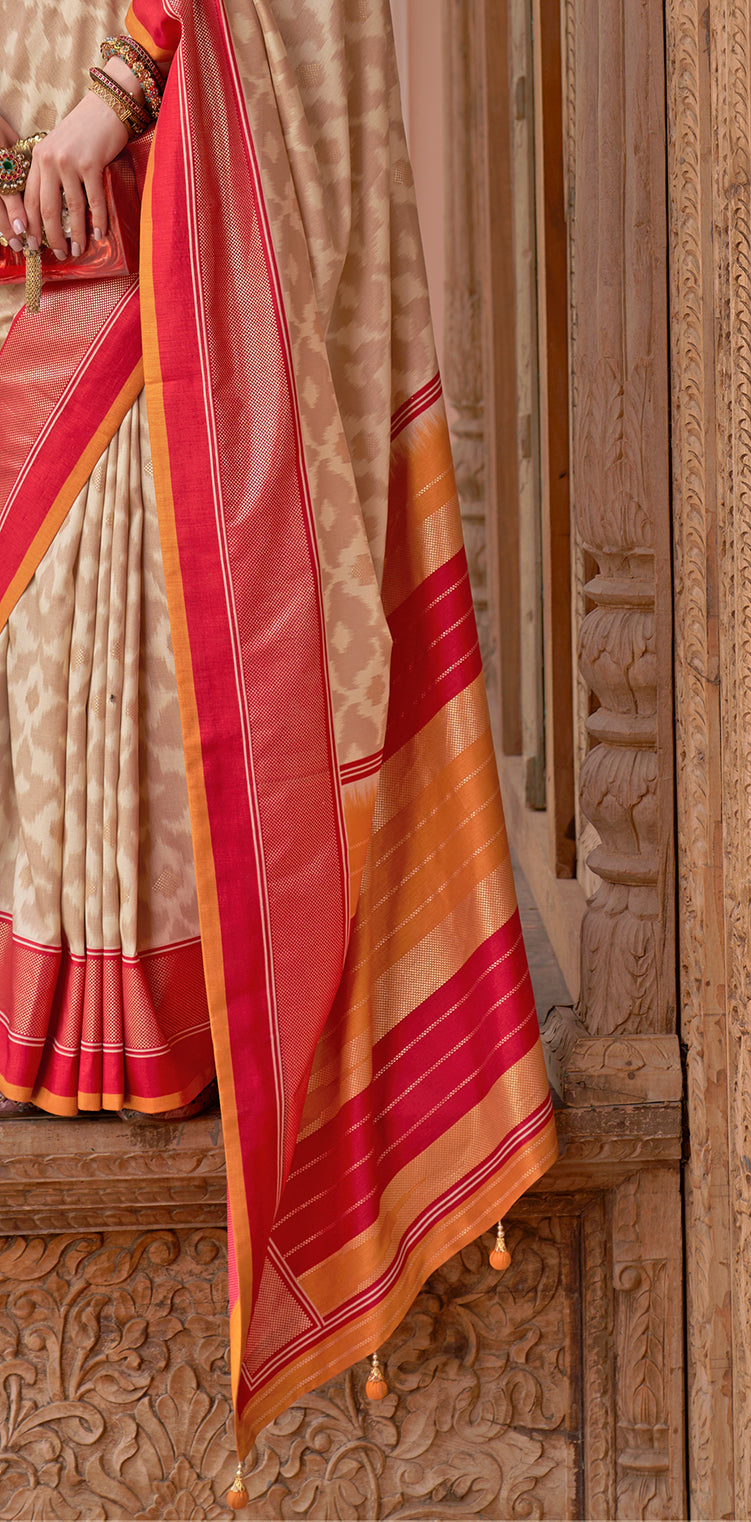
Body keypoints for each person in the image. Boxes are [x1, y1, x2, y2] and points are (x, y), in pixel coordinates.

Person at [0, 0, 556, 1486]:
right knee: (51, 610)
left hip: (158, 184)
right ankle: (65, 1011)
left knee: (142, 574)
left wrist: (116, 88)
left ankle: (176, 1018)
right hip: (38, 209)